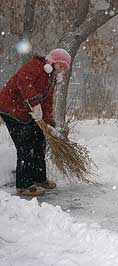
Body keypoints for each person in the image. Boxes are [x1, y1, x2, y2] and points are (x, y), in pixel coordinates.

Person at [0, 48, 71, 196]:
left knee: (39, 140)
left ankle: (39, 178)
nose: (62, 69)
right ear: (53, 61)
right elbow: (23, 81)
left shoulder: (51, 78)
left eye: (64, 67)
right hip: (11, 107)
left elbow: (48, 101)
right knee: (26, 145)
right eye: (61, 65)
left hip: (26, 110)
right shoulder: (36, 65)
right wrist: (34, 103)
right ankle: (24, 185)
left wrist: (48, 122)